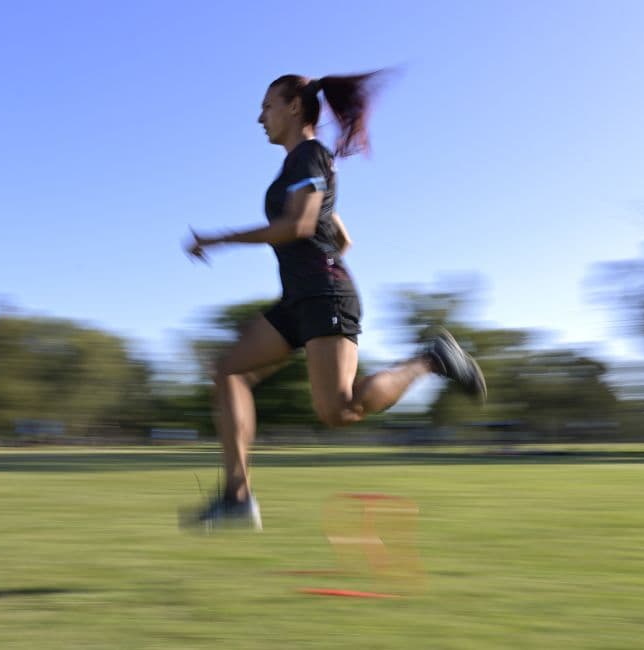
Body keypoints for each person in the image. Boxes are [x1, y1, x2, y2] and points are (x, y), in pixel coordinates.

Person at [182, 71, 485, 531]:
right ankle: (237, 497)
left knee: (339, 411)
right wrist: (312, 268)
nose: (259, 116)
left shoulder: (310, 155)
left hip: (323, 294)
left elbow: (301, 226)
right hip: (304, 297)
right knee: (228, 370)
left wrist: (221, 239)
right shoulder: (301, 165)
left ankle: (431, 360)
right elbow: (339, 234)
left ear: (294, 108)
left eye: (267, 106)